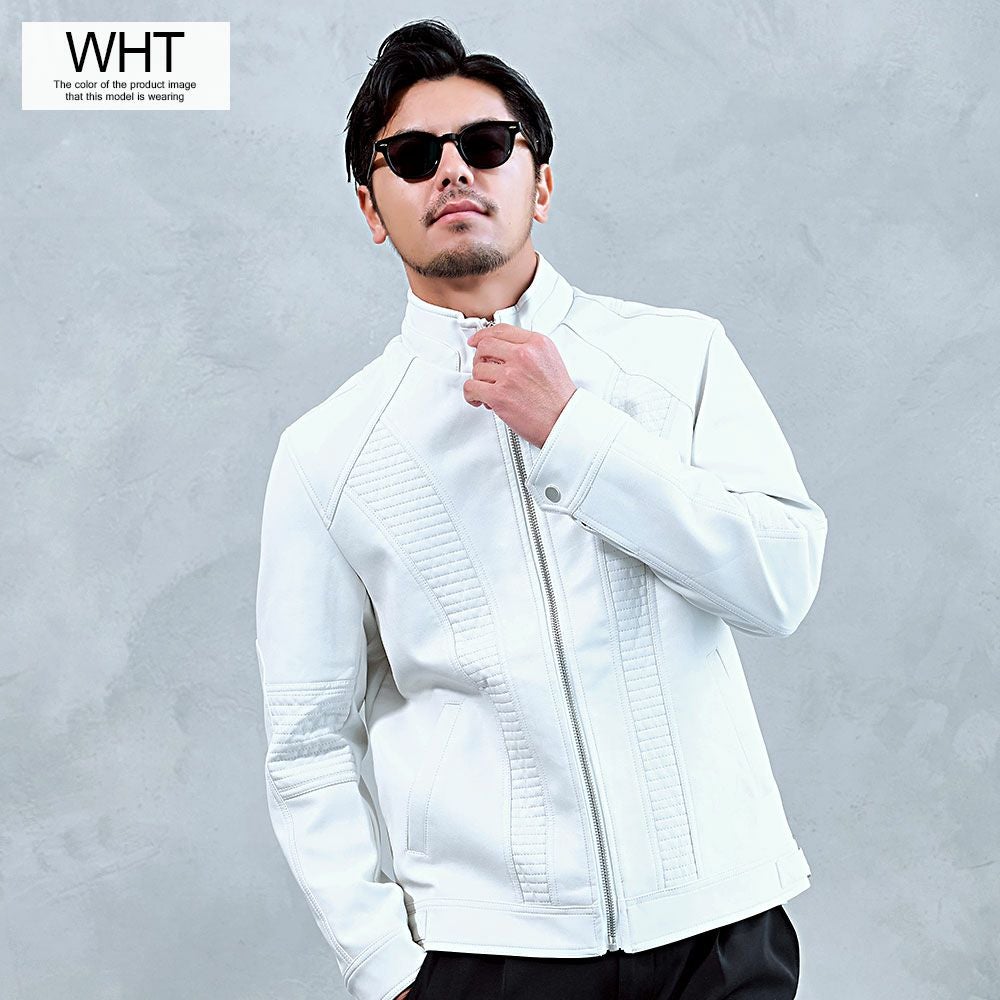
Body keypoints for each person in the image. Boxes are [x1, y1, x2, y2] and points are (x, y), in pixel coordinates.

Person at [254, 18, 828, 1000]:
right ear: (370, 208)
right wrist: (387, 968)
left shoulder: (680, 356)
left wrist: (575, 432)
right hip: (488, 959)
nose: (452, 171)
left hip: (719, 929)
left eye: (485, 144)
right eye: (411, 156)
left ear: (541, 184)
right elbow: (307, 746)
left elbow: (777, 583)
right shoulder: (327, 453)